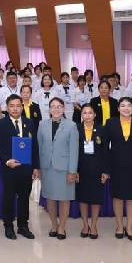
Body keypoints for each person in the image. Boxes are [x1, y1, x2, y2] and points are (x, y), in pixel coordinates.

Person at [0, 94, 42, 240]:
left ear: (22, 107)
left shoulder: (30, 123)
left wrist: (36, 166)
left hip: (26, 168)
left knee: (24, 198)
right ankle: (8, 226)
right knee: (8, 197)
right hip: (9, 168)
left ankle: (23, 226)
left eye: (18, 106)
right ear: (7, 108)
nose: (15, 109)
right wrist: (7, 160)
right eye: (12, 106)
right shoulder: (1, 124)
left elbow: (34, 146)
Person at [36, 97, 78, 239]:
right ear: (49, 109)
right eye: (53, 106)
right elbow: (39, 147)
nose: (56, 109)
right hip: (47, 167)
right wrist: (38, 167)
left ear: (63, 108)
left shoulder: (71, 125)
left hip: (64, 168)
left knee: (64, 198)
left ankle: (62, 227)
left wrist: (72, 171)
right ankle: (54, 225)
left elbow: (74, 150)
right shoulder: (42, 124)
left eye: (59, 106)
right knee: (50, 198)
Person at [104, 96, 132, 241]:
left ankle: (130, 227)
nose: (126, 108)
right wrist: (106, 169)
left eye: (129, 105)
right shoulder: (111, 123)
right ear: (118, 108)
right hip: (116, 165)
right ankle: (120, 226)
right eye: (123, 105)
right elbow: (105, 148)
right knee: (118, 197)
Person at [75, 104, 108, 239]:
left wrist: (106, 171)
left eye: (90, 113)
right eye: (84, 113)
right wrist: (74, 170)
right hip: (81, 169)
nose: (87, 116)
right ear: (81, 115)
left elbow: (106, 152)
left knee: (95, 199)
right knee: (82, 198)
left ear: (95, 115)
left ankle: (93, 225)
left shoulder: (102, 129)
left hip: (97, 170)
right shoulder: (76, 129)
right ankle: (85, 224)